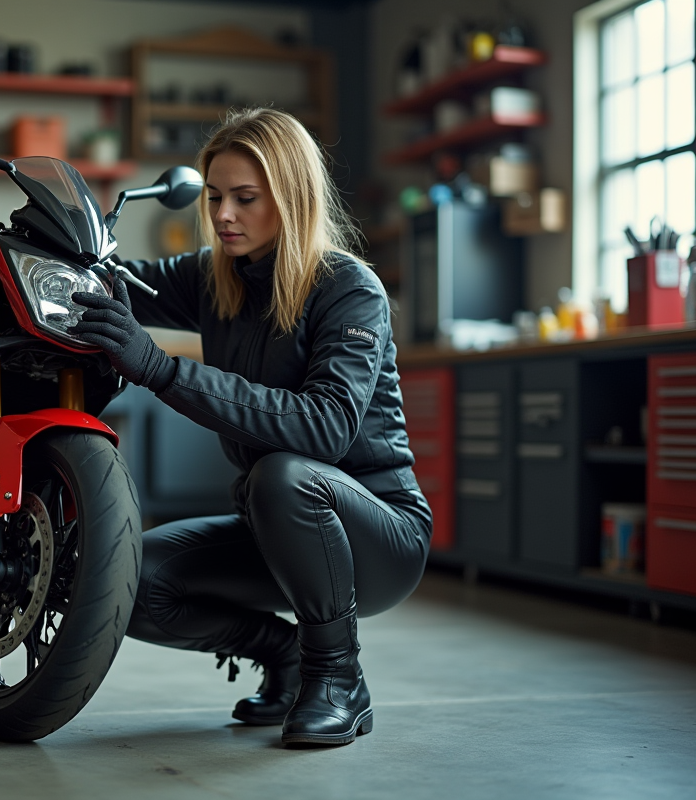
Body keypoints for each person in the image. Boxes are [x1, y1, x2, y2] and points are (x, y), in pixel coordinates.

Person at [67, 108, 432, 747]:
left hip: (378, 534)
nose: (223, 215)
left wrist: (159, 368)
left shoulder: (350, 289)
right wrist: (46, 253)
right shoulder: (216, 277)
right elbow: (113, 285)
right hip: (274, 523)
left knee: (285, 472)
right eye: (214, 199)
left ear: (289, 198)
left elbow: (325, 429)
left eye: (245, 198)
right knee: (127, 576)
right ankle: (286, 654)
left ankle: (337, 677)